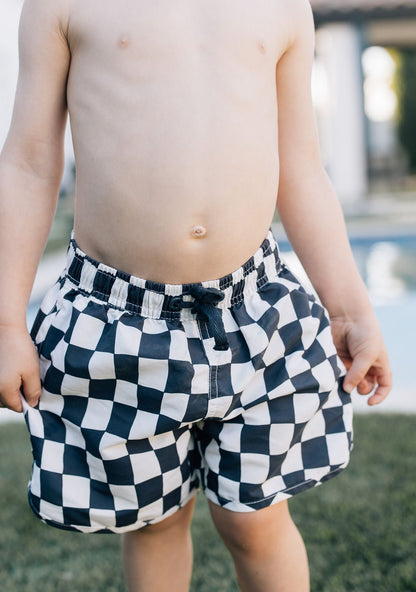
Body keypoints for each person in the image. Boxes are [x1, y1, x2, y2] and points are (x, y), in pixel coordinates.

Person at [0, 0, 392, 590]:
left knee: (255, 520)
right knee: (154, 525)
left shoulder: (282, 7)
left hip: (254, 313)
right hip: (118, 320)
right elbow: (29, 164)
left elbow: (302, 168)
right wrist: (7, 322)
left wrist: (350, 309)